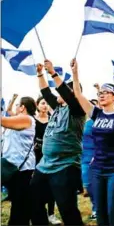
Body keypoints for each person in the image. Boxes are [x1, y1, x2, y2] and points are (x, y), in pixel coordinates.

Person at [70, 58, 114, 226]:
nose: (102, 95)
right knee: (100, 214)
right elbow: (77, 94)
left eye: (106, 92)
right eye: (100, 93)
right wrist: (75, 73)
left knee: (113, 213)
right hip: (97, 169)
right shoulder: (96, 114)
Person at [30, 60, 85, 226]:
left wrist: (53, 72)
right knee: (33, 201)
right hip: (44, 165)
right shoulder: (58, 108)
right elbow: (46, 93)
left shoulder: (77, 110)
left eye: (63, 92)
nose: (58, 95)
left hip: (65, 166)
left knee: (67, 209)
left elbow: (67, 94)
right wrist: (40, 74)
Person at [1, 96, 36, 225]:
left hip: (22, 169)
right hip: (12, 166)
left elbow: (3, 121)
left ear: (22, 108)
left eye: (17, 105)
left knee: (20, 205)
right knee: (18, 202)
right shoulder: (18, 119)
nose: (15, 107)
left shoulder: (26, 119)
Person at [34, 96, 62, 225]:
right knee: (36, 188)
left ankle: (51, 213)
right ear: (37, 105)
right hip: (35, 157)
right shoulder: (32, 121)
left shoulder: (53, 120)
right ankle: (39, 213)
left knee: (52, 186)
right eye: (42, 103)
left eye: (46, 103)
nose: (44, 106)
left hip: (50, 157)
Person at [81, 100, 97, 221]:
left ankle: (96, 209)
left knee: (92, 185)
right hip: (80, 156)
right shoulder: (80, 120)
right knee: (87, 185)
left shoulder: (94, 121)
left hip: (92, 156)